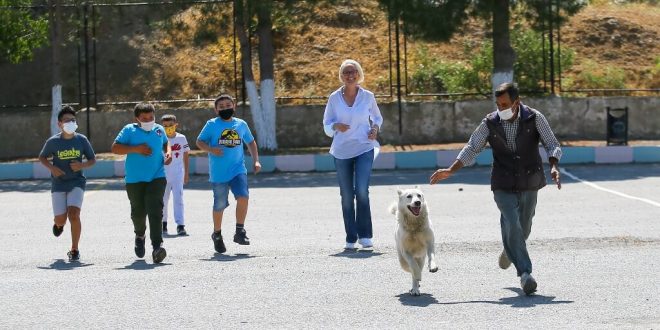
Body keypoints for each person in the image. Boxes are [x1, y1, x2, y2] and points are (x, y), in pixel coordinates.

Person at [429, 82, 562, 295]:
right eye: (498, 105)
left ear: (516, 103)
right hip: (503, 182)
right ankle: (525, 274)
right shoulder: (490, 123)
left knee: (524, 227)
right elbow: (472, 147)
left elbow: (551, 143)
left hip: (530, 180)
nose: (501, 109)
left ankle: (509, 252)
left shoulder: (535, 117)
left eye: (505, 104)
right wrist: (451, 170)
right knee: (512, 222)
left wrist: (554, 166)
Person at [322, 59, 383, 250]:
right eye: (346, 72)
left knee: (362, 191)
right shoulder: (334, 98)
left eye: (353, 72)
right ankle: (351, 236)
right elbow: (326, 124)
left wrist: (375, 128)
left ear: (359, 74)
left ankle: (365, 234)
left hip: (365, 147)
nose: (350, 75)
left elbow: (377, 117)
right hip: (341, 151)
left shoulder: (367, 96)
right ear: (341, 76)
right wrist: (335, 126)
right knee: (347, 195)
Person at [196, 94, 261, 254]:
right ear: (216, 110)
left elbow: (250, 141)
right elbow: (199, 142)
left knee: (243, 197)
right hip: (219, 173)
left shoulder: (241, 124)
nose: (225, 108)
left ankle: (240, 231)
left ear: (234, 106)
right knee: (220, 205)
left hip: (238, 169)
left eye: (228, 105)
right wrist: (211, 149)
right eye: (221, 106)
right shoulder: (211, 125)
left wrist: (256, 160)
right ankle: (217, 234)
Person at [111, 102, 172, 264]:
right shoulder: (129, 130)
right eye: (144, 118)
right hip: (134, 179)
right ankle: (140, 235)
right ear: (137, 118)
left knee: (155, 207)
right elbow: (115, 148)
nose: (148, 120)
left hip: (157, 176)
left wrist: (168, 153)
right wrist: (136, 149)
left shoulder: (159, 129)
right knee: (138, 212)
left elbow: (166, 143)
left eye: (151, 117)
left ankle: (157, 246)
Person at [38, 105, 96, 262]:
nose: (70, 122)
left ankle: (74, 249)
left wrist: (81, 165)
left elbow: (92, 159)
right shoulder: (53, 142)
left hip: (77, 182)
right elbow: (42, 157)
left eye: (73, 120)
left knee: (74, 214)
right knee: (61, 219)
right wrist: (52, 168)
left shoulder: (81, 140)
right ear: (59, 124)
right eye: (66, 120)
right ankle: (58, 225)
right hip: (58, 184)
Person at [160, 114, 190, 236]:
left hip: (178, 174)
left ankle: (180, 225)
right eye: (165, 126)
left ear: (176, 125)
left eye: (170, 125)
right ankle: (163, 224)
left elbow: (186, 155)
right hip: (162, 174)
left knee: (179, 199)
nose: (168, 128)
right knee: (163, 200)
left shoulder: (181, 138)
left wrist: (186, 173)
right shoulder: (160, 139)